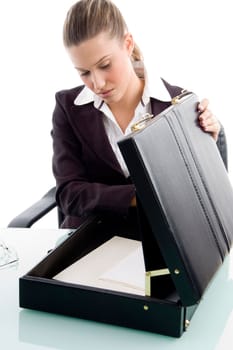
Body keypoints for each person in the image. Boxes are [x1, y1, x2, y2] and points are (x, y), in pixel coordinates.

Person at [52, 0, 224, 232]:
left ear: (128, 44)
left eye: (105, 65)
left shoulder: (179, 105)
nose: (97, 83)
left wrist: (206, 149)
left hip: (163, 240)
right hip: (89, 240)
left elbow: (195, 196)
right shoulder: (68, 107)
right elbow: (69, 194)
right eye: (84, 72)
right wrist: (139, 196)